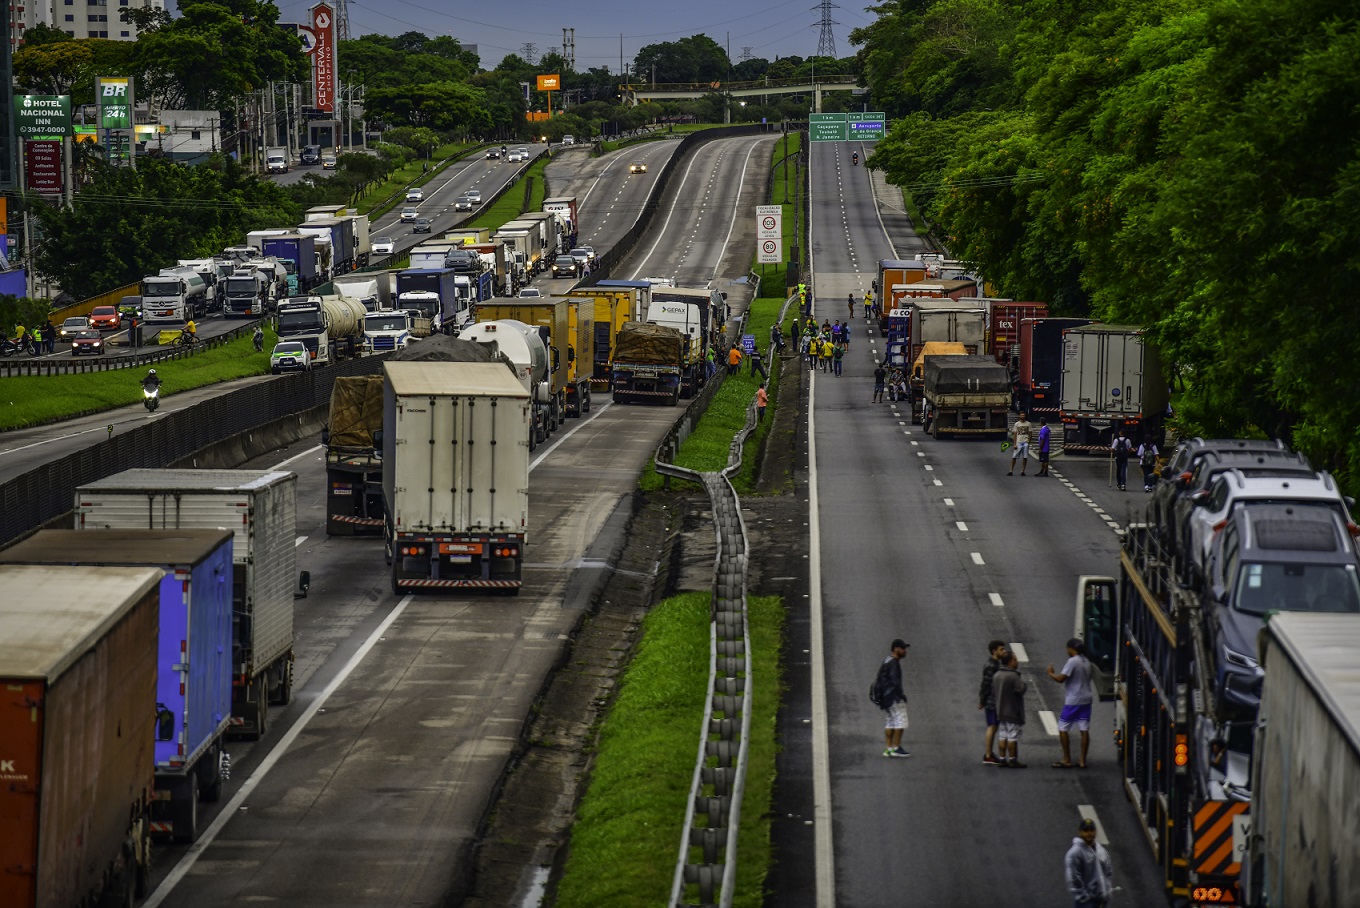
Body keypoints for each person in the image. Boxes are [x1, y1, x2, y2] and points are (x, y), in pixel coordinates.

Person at [1048, 638, 1095, 768]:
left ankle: (1066, 758)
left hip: (1073, 700)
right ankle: (1082, 760)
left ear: (1071, 649)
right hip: (1087, 699)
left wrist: (1051, 673)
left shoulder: (1072, 661)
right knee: (1084, 729)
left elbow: (1061, 679)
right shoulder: (1086, 661)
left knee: (1062, 727)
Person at [1065, 818, 1114, 908]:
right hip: (1086, 903)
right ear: (1080, 832)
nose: (1089, 833)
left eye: (1091, 830)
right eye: (1086, 830)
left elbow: (1108, 871)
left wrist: (1107, 890)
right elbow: (1073, 879)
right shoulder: (1075, 853)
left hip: (1102, 901)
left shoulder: (1101, 850)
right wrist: (1084, 898)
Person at [876, 639, 911, 757]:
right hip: (893, 698)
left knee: (890, 722)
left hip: (885, 698)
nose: (905, 651)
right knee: (900, 722)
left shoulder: (887, 660)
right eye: (903, 648)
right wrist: (901, 696)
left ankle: (888, 748)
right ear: (896, 649)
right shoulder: (893, 663)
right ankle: (896, 748)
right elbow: (895, 682)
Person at [992, 650, 1027, 768]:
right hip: (1012, 711)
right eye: (1015, 660)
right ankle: (1012, 759)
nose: (1017, 662)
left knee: (1002, 734)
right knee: (1012, 736)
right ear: (1011, 661)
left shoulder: (997, 675)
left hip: (1000, 711)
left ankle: (1002, 758)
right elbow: (1020, 689)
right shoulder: (1013, 676)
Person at [979, 640, 1008, 766]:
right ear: (994, 651)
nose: (1004, 651)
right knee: (992, 726)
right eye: (1001, 649)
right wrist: (982, 700)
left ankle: (989, 753)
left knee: (994, 726)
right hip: (992, 701)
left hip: (996, 700)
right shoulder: (991, 666)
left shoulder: (996, 663)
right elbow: (985, 684)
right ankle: (988, 755)